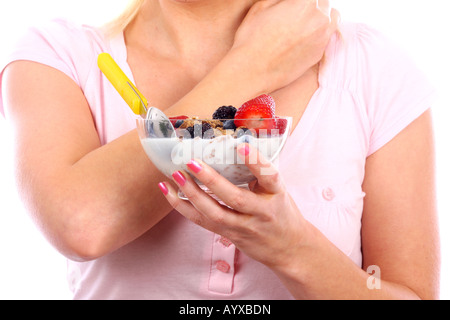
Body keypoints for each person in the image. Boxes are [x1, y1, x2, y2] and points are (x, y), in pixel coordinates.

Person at [0, 0, 440, 300]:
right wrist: (252, 64)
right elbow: (82, 224)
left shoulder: (376, 70)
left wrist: (293, 250)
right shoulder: (58, 56)